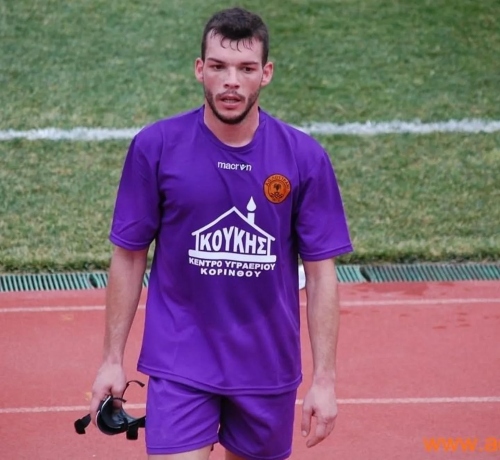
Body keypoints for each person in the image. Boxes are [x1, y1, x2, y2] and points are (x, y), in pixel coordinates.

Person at [90, 7, 353, 460]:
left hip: (267, 366)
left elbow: (321, 273)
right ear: (200, 69)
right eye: (219, 66)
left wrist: (324, 381)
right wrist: (112, 359)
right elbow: (129, 255)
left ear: (266, 74)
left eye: (246, 68)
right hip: (181, 360)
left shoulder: (304, 158)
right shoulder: (156, 147)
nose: (231, 81)